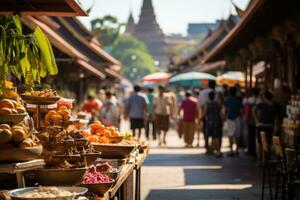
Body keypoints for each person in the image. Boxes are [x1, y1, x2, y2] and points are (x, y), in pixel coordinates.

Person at [253, 91, 279, 165]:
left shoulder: (274, 106)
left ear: (265, 97)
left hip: (266, 127)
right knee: (262, 145)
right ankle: (261, 161)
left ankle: (263, 161)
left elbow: (253, 110)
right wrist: (256, 121)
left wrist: (256, 121)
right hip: (264, 126)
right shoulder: (264, 105)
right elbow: (254, 110)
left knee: (264, 145)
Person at [201, 91, 224, 157]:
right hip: (216, 122)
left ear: (209, 97)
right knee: (216, 136)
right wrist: (222, 120)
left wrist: (201, 118)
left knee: (207, 136)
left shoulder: (207, 104)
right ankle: (217, 150)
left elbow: (205, 113)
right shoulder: (217, 104)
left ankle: (208, 150)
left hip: (209, 122)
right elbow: (220, 114)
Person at [225, 87, 243, 157]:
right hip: (237, 118)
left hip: (230, 118)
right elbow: (241, 110)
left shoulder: (227, 99)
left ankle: (231, 150)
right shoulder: (239, 99)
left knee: (230, 135)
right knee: (237, 135)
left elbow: (225, 109)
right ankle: (237, 150)